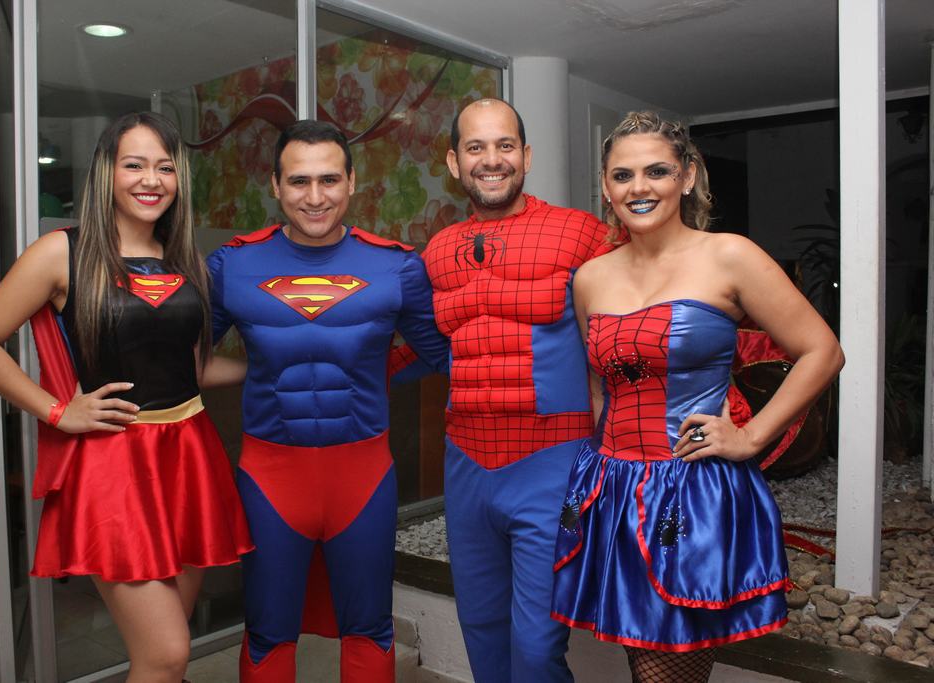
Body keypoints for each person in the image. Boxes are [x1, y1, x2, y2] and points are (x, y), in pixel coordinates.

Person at [0, 112, 254, 682]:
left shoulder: (183, 257)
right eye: (134, 164)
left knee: (165, 653)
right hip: (114, 465)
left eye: (165, 167)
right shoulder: (61, 252)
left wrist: (266, 369)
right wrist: (58, 411)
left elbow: (191, 366)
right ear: (106, 174)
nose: (152, 179)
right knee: (166, 654)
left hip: (190, 456)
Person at [551, 111, 844, 682]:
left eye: (656, 170)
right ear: (606, 188)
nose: (639, 188)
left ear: (687, 176)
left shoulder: (729, 255)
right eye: (622, 175)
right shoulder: (590, 278)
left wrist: (752, 435)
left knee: (663, 670)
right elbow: (597, 385)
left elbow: (822, 351)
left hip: (690, 491)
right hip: (612, 487)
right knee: (643, 659)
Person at [207, 119, 449, 682]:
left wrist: (373, 372)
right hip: (271, 475)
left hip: (362, 474)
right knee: (268, 629)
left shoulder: (397, 265)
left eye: (329, 180)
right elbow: (182, 356)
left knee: (368, 626)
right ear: (274, 185)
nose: (315, 198)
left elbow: (440, 353)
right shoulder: (232, 265)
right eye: (298, 182)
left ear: (351, 181)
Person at [421, 98, 614, 683]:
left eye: (505, 145)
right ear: (454, 162)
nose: (492, 159)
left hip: (551, 461)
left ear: (526, 155)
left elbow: (634, 326)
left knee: (535, 649)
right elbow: (419, 348)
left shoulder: (583, 234)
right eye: (475, 147)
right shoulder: (436, 252)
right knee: (482, 631)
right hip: (467, 466)